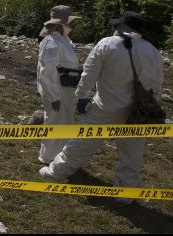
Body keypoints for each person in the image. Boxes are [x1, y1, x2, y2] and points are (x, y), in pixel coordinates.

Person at [39, 11, 164, 204]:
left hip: (106, 107)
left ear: (122, 28)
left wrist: (81, 96)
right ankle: (126, 192)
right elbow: (156, 87)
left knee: (81, 144)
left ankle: (56, 172)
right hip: (137, 111)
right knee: (132, 152)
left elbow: (89, 75)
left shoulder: (107, 44)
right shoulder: (153, 52)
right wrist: (148, 108)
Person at [37, 5, 82, 164]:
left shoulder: (64, 40)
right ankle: (48, 158)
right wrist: (54, 97)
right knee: (54, 123)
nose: (71, 26)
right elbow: (46, 72)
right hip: (57, 92)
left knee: (64, 124)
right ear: (60, 24)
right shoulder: (52, 42)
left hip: (67, 91)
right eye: (69, 22)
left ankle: (58, 158)